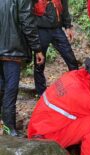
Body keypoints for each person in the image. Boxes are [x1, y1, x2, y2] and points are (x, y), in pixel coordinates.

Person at [0, 0, 44, 136]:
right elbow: (27, 22)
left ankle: (5, 123)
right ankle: (9, 127)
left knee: (1, 86)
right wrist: (37, 48)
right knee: (10, 89)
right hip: (12, 49)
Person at [33, 0, 79, 96]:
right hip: (41, 29)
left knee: (71, 59)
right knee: (39, 63)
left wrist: (67, 26)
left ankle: (77, 88)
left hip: (57, 29)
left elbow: (64, 6)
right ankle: (41, 93)